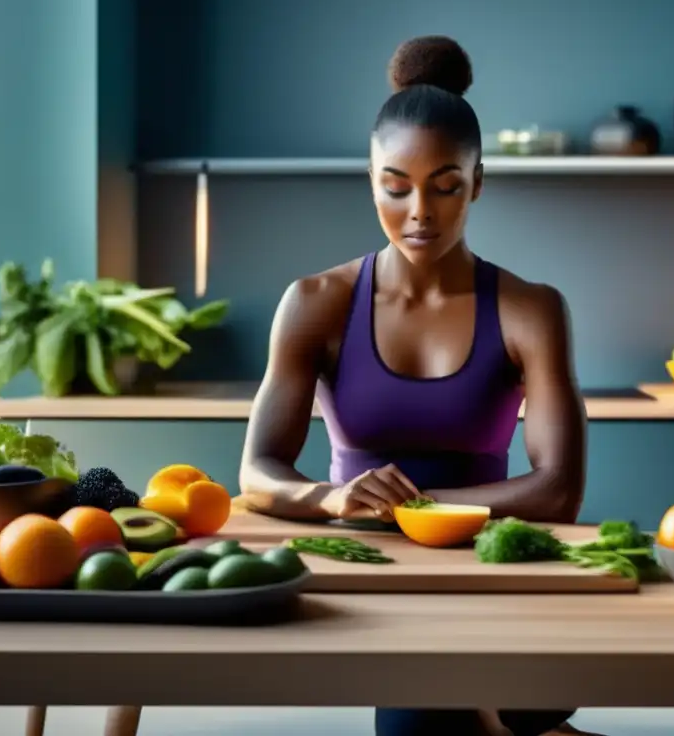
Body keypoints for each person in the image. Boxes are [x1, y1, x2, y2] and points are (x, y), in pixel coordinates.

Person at [238, 36, 598, 736]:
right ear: (369, 179)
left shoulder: (531, 308)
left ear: (478, 182)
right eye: (395, 186)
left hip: (496, 568)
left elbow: (558, 490)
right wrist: (333, 497)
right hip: (364, 576)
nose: (420, 214)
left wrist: (422, 509)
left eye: (445, 186)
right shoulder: (315, 302)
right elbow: (256, 471)